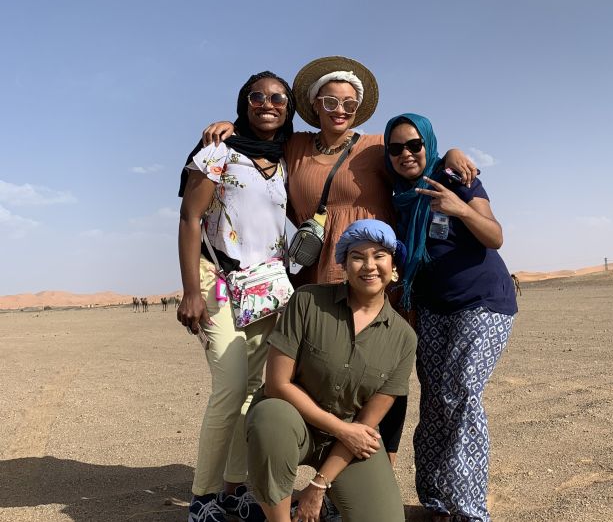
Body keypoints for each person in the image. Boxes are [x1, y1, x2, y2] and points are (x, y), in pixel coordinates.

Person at [201, 56, 477, 463]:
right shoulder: (293, 147)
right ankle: (316, 468)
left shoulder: (376, 147)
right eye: (330, 102)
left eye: (349, 102)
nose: (340, 110)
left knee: (381, 371)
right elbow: (261, 132)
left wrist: (452, 151)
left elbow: (419, 156)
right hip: (317, 278)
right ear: (315, 106)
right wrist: (232, 127)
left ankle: (380, 465)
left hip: (376, 277)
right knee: (322, 374)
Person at [384, 113, 518, 522]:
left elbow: (494, 236)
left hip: (483, 301)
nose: (406, 153)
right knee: (437, 402)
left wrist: (459, 207)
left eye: (414, 145)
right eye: (396, 148)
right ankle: (438, 500)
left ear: (429, 143)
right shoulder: (397, 196)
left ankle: (470, 509)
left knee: (461, 394)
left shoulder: (455, 177)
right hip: (431, 308)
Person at [177, 70, 295, 522]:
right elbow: (190, 219)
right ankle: (203, 498)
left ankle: (234, 488)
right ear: (243, 103)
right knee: (228, 387)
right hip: (218, 283)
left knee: (250, 390)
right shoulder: (218, 151)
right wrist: (191, 290)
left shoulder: (283, 158)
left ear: (288, 107)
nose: (268, 103)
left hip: (267, 287)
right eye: (257, 96)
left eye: (278, 98)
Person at [244, 219, 417, 522]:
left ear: (395, 268)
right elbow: (277, 384)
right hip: (291, 422)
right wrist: (340, 428)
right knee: (270, 417)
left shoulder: (404, 338)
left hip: (347, 442)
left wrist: (317, 486)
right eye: (357, 256)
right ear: (344, 265)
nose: (369, 266)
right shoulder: (308, 301)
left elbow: (365, 425)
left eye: (379, 256)